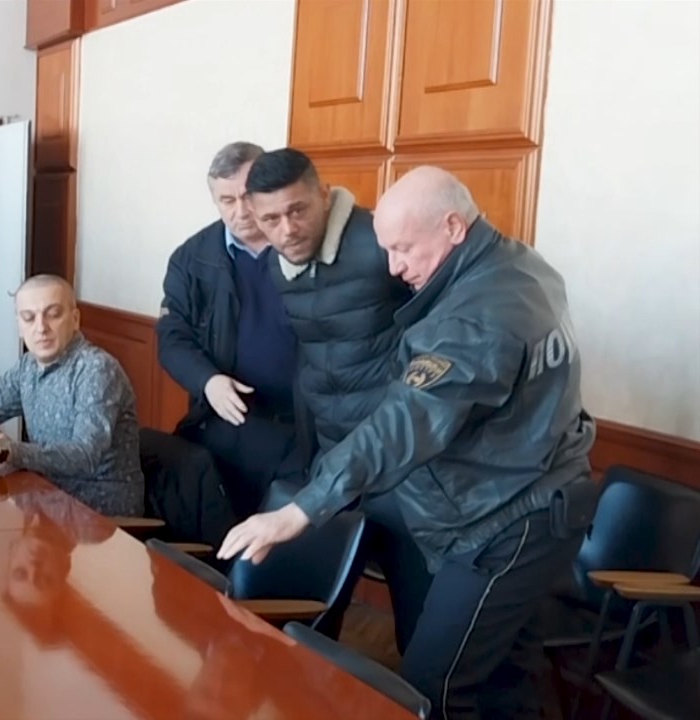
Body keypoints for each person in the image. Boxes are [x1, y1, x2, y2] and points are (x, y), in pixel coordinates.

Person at [220, 166, 597, 719]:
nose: (395, 267)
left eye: (403, 249)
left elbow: (408, 419)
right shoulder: (519, 264)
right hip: (530, 493)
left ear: (453, 227)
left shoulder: (476, 318)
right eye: (387, 250)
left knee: (430, 686)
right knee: (505, 678)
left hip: (508, 519)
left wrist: (301, 509)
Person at [244, 148, 429, 651]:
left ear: (324, 196)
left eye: (298, 210)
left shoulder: (380, 243)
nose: (287, 229)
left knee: (418, 625)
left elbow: (439, 337)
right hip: (333, 456)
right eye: (271, 219)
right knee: (309, 611)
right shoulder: (276, 265)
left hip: (402, 462)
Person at [156, 141, 304, 519]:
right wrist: (207, 380)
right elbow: (172, 337)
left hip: (302, 426)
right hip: (228, 419)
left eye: (247, 196)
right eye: (227, 200)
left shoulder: (300, 242)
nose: (240, 211)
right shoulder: (191, 258)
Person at [0, 274, 145, 517]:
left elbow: (84, 456)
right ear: (19, 326)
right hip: (43, 500)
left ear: (75, 319)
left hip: (98, 516)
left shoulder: (97, 369)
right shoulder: (28, 366)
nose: (41, 328)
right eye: (29, 318)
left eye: (53, 314)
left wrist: (4, 451)